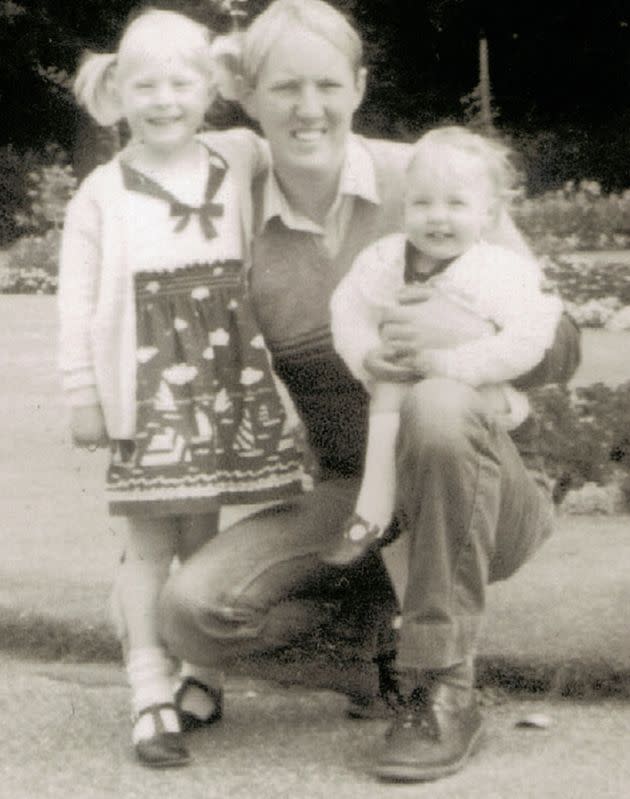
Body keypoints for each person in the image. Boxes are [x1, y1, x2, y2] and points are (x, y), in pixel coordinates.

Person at [159, 0, 581, 783]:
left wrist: (461, 335)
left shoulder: (430, 179)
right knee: (194, 610)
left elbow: (560, 346)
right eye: (284, 87)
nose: (308, 107)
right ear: (247, 95)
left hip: (480, 487)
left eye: (327, 83)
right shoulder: (230, 209)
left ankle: (444, 689)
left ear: (358, 85)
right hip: (353, 496)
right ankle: (374, 659)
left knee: (441, 401)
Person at [58, 8, 308, 769]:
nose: (163, 99)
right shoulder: (102, 192)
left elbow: (308, 144)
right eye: (145, 85)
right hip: (148, 387)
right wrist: (82, 391)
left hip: (225, 380)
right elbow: (77, 299)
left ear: (210, 91)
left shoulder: (237, 156)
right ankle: (148, 691)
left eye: (180, 83)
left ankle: (205, 674)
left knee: (205, 535)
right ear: (118, 92)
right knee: (148, 545)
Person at [321, 126, 564, 566]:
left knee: (436, 400)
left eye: (455, 203)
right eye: (423, 202)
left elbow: (532, 335)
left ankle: (398, 525)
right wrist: (366, 353)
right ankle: (373, 511)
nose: (437, 217)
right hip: (407, 405)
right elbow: (349, 310)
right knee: (389, 387)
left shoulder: (499, 271)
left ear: (488, 215)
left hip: (483, 403)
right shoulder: (385, 259)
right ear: (404, 207)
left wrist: (452, 361)